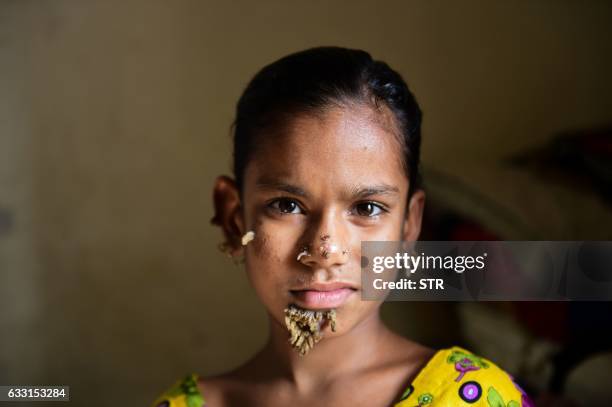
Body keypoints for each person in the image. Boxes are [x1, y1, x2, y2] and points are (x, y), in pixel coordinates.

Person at [151, 47, 532, 406]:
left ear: (408, 225)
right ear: (235, 218)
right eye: (287, 205)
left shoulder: (472, 397)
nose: (325, 249)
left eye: (367, 207)